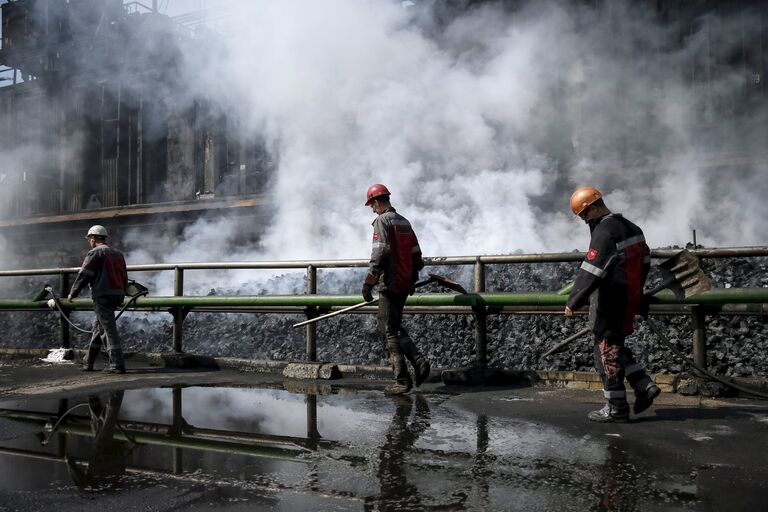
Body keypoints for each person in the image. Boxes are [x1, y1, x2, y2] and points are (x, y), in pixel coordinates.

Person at [564, 187, 660, 422]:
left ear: (593, 208)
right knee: (616, 347)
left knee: (604, 353)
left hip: (610, 301)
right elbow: (645, 262)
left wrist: (573, 301)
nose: (585, 221)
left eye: (584, 216)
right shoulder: (632, 227)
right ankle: (643, 385)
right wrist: (638, 292)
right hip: (630, 299)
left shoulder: (605, 231)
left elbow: (592, 269)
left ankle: (616, 408)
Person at [363, 184, 430, 395]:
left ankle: (401, 381)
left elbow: (379, 253)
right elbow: (416, 254)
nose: (372, 209)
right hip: (404, 284)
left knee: (387, 331)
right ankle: (419, 363)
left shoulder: (382, 221)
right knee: (395, 326)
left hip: (389, 284)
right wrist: (411, 277)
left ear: (377, 202)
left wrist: (369, 282)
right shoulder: (404, 221)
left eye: (372, 205)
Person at [68, 225, 128, 374]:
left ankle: (117, 364)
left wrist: (73, 293)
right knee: (99, 328)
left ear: (93, 238)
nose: (89, 242)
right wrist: (123, 291)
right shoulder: (118, 254)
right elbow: (124, 275)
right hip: (117, 294)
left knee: (108, 330)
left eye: (89, 239)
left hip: (102, 295)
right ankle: (88, 362)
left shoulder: (95, 253)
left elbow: (85, 274)